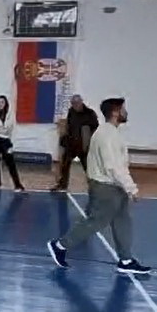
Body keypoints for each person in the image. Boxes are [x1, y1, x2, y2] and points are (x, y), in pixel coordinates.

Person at [47, 97, 150, 275]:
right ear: (115, 112)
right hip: (105, 187)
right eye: (123, 109)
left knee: (122, 220)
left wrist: (125, 186)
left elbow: (118, 165)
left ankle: (126, 260)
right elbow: (113, 166)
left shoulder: (110, 133)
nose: (125, 112)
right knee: (96, 221)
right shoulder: (107, 135)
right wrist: (131, 188)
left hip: (114, 185)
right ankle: (60, 245)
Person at [52, 95, 98, 192]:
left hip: (83, 146)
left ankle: (95, 186)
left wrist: (91, 142)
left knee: (88, 168)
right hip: (71, 144)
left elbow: (95, 129)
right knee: (65, 165)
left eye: (77, 103)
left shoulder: (90, 113)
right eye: (73, 104)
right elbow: (68, 126)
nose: (75, 105)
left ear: (81, 102)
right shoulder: (71, 112)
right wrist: (64, 140)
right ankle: (62, 185)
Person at [0, 95, 25, 191]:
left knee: (11, 164)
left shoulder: (11, 114)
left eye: (2, 102)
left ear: (5, 103)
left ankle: (17, 184)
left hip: (5, 140)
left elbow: (14, 130)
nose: (0, 104)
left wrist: (12, 144)